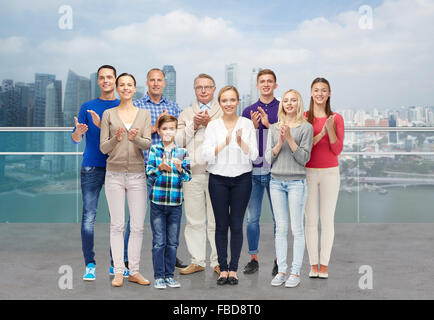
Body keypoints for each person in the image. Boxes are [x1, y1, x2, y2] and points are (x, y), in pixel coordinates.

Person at [72, 65, 131, 281]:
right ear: (98, 81)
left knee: (119, 219)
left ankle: (117, 263)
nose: (106, 80)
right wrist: (78, 132)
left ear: (115, 81)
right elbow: (75, 138)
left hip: (117, 167)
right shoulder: (87, 106)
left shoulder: (123, 105)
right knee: (89, 216)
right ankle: (89, 264)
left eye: (110, 77)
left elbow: (127, 138)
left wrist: (104, 125)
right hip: (91, 167)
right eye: (102, 77)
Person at [202, 86, 258, 286]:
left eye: (232, 100)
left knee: (236, 225)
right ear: (220, 102)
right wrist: (225, 142)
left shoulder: (247, 124)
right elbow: (206, 155)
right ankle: (222, 268)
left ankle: (233, 269)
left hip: (242, 179)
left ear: (237, 102)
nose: (228, 104)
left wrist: (241, 141)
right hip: (218, 179)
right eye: (224, 100)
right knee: (220, 225)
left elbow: (254, 155)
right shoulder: (213, 126)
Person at [100, 73, 151, 287]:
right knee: (117, 225)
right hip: (114, 175)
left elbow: (147, 144)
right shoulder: (108, 114)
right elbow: (103, 147)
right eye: (122, 85)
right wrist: (116, 139)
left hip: (138, 175)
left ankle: (135, 271)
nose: (126, 88)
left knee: (138, 226)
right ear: (118, 88)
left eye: (129, 85)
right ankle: (119, 272)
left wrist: (135, 138)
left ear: (135, 88)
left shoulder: (144, 114)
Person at [134, 68, 186, 269]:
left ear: (164, 83)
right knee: (137, 219)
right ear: (147, 83)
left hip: (170, 173)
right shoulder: (138, 106)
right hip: (146, 170)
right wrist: (156, 126)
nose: (156, 83)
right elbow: (134, 138)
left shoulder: (173, 107)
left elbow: (180, 137)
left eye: (159, 80)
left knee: (169, 218)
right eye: (152, 80)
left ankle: (170, 258)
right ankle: (130, 259)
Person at [175, 74, 223, 276]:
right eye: (199, 87)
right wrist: (193, 125)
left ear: (214, 89)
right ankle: (197, 260)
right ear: (194, 90)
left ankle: (218, 261)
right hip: (192, 173)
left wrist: (210, 123)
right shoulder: (186, 113)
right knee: (194, 219)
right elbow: (177, 142)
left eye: (208, 87)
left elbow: (228, 138)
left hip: (217, 173)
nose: (203, 91)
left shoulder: (223, 111)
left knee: (217, 220)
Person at [265, 89, 313, 288]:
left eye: (293, 100)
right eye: (286, 100)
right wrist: (279, 142)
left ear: (299, 104)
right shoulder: (274, 128)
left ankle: (295, 272)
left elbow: (304, 159)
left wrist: (290, 139)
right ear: (282, 104)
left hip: (296, 184)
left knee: (297, 228)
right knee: (281, 229)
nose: (289, 103)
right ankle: (282, 271)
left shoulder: (306, 128)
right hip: (276, 182)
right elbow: (268, 159)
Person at [304, 78, 344, 279]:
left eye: (324, 90)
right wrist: (321, 133)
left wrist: (330, 129)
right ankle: (313, 264)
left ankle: (324, 265)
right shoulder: (303, 117)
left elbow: (337, 149)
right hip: (308, 173)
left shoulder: (336, 118)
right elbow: (304, 149)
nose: (320, 93)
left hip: (330, 173)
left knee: (327, 220)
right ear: (311, 93)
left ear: (329, 94)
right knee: (310, 220)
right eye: (316, 90)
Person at [146, 115, 192, 289]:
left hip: (175, 205)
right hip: (157, 203)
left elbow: (188, 177)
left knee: (173, 242)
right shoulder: (154, 150)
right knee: (159, 241)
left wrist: (180, 170)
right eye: (164, 129)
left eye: (172, 128)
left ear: (176, 131)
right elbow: (149, 173)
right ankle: (159, 276)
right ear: (159, 131)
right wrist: (160, 168)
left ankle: (169, 276)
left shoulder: (183, 152)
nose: (168, 132)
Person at [241, 69, 279, 276]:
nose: (265, 84)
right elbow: (241, 143)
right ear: (257, 85)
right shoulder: (247, 111)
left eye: (269, 81)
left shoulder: (282, 108)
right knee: (252, 219)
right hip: (253, 172)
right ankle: (253, 258)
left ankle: (277, 259)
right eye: (262, 81)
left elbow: (285, 135)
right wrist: (253, 128)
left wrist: (268, 125)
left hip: (275, 171)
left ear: (275, 85)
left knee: (278, 219)